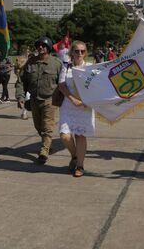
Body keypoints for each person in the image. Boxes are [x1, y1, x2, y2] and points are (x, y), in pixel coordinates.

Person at [15, 36, 63, 164]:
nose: (40, 47)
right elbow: (21, 81)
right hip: (35, 100)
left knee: (47, 126)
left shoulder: (56, 63)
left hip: (50, 100)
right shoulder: (30, 63)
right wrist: (20, 97)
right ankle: (47, 144)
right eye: (38, 45)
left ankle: (43, 151)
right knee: (39, 127)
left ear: (48, 47)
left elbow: (62, 83)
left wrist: (62, 99)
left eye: (43, 45)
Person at [57, 41, 95, 177]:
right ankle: (74, 156)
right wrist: (73, 99)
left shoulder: (91, 68)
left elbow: (97, 86)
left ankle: (80, 165)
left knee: (80, 136)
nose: (80, 54)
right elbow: (61, 86)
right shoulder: (66, 67)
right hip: (68, 106)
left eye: (82, 51)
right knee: (64, 135)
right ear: (71, 52)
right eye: (77, 51)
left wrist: (89, 100)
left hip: (84, 107)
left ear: (86, 53)